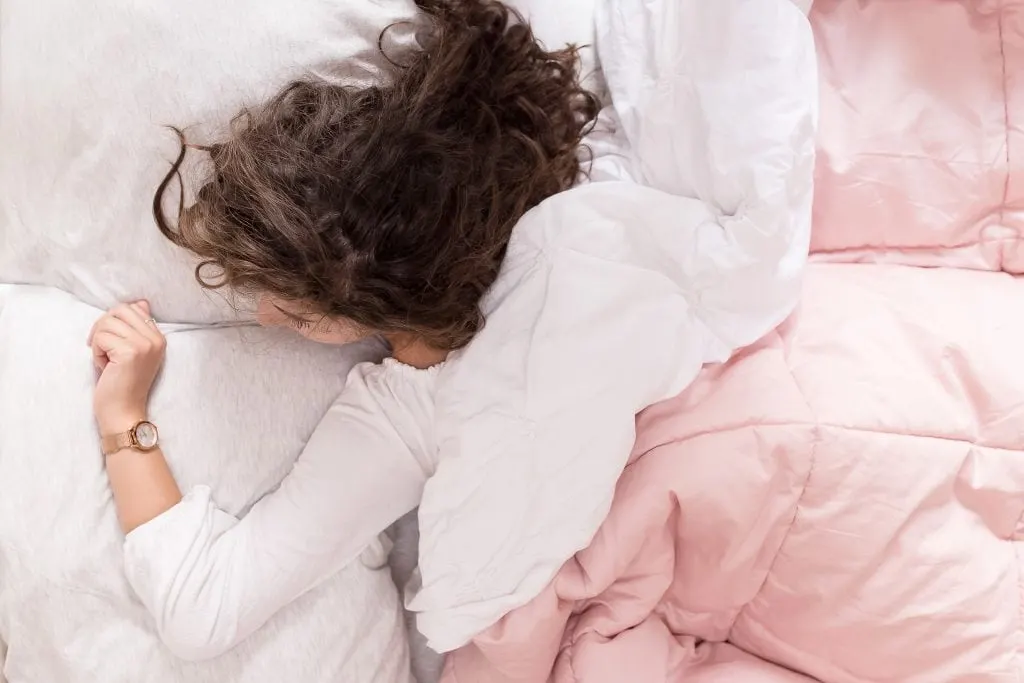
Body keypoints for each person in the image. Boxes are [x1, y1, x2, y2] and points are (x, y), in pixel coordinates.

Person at [89, 0, 600, 661]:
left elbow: (200, 610)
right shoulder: (578, 235)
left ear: (393, 302)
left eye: (300, 315)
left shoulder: (409, 418)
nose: (267, 320)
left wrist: (123, 416)